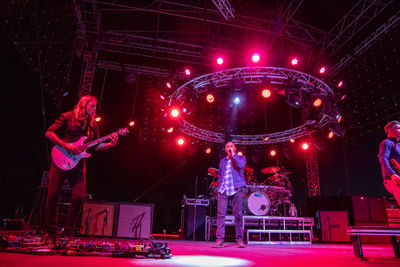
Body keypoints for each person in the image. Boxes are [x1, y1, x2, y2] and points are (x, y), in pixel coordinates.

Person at [44, 95, 118, 237]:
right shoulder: (67, 117)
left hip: (78, 164)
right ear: (84, 105)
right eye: (92, 106)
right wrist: (65, 145)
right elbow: (49, 133)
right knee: (53, 195)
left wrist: (110, 144)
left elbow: (95, 145)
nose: (94, 109)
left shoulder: (93, 125)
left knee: (79, 197)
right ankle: (50, 232)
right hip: (60, 158)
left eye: (95, 107)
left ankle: (68, 232)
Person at [213, 141, 247, 248]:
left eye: (231, 146)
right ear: (225, 149)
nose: (229, 147)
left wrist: (233, 155)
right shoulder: (222, 161)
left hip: (236, 189)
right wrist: (219, 187)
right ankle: (219, 240)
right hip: (223, 189)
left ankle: (239, 240)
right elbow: (220, 174)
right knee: (221, 215)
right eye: (227, 146)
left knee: (238, 215)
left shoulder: (241, 158)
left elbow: (240, 165)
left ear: (234, 148)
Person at [378, 120, 400, 205]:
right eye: (398, 128)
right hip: (393, 179)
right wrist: (393, 174)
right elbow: (383, 159)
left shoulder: (398, 145)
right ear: (390, 130)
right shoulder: (386, 143)